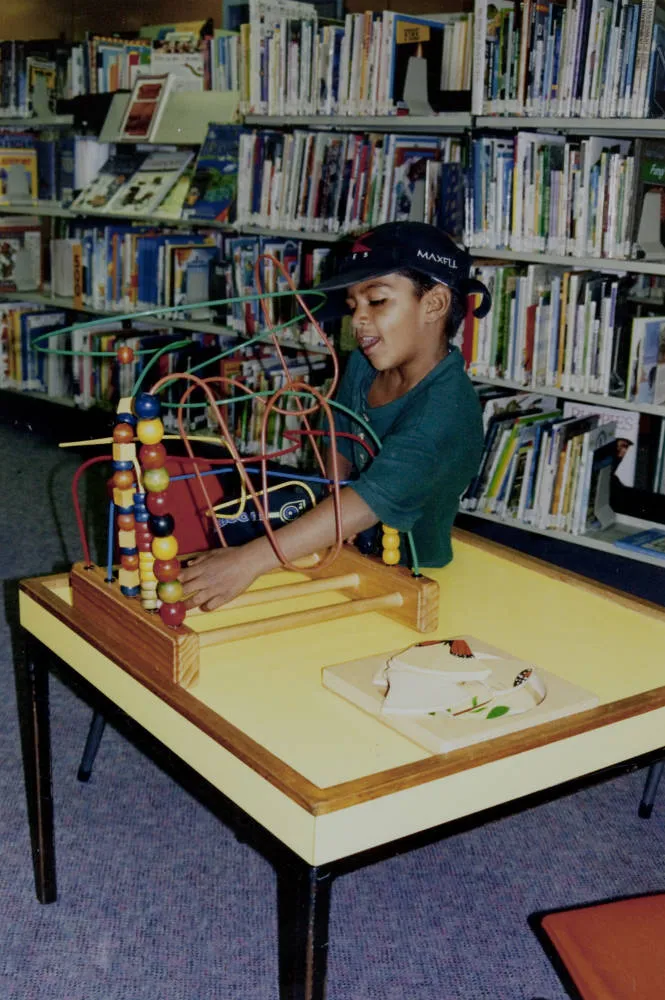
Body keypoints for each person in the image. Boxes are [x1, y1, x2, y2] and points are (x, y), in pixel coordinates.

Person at [181, 222, 491, 611]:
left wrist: (249, 562)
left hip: (412, 574)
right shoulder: (363, 365)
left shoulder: (444, 412)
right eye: (352, 306)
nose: (357, 320)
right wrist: (332, 495)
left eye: (376, 301)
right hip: (345, 545)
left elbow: (368, 500)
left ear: (434, 304)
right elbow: (340, 435)